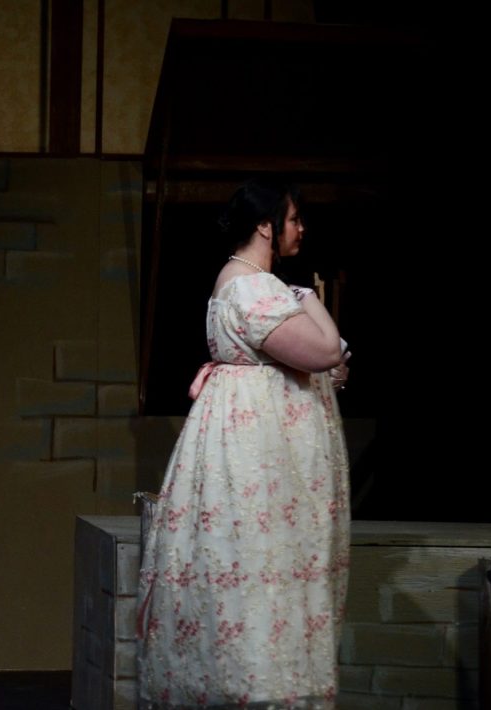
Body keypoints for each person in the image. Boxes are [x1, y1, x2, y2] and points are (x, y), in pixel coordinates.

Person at [137, 180, 350, 709]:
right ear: (265, 226)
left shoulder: (249, 283)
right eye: (293, 219)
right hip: (258, 449)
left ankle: (263, 682)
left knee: (264, 562)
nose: (301, 229)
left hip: (257, 437)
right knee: (259, 561)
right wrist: (307, 298)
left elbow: (310, 362)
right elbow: (326, 350)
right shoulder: (255, 289)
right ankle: (259, 685)